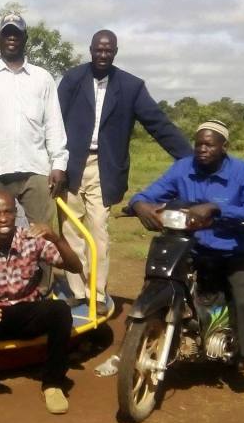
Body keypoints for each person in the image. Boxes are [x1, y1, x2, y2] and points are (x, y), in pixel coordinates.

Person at [127, 120, 244, 418]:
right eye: (199, 143)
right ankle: (130, 350)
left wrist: (216, 208)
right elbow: (150, 192)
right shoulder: (183, 168)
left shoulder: (241, 172)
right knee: (157, 282)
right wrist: (139, 205)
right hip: (194, 248)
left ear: (224, 147)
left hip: (235, 254)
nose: (202, 149)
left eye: (209, 144)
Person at [58, 30, 192, 316]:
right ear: (90, 50)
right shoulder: (72, 79)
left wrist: (191, 159)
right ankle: (77, 292)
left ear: (115, 52)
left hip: (105, 167)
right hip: (71, 165)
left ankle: (96, 292)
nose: (103, 55)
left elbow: (158, 124)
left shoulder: (131, 87)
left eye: (108, 50)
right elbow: (53, 121)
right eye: (98, 50)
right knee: (70, 229)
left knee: (98, 230)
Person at [0, 190, 83, 414]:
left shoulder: (31, 239)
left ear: (16, 213)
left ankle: (53, 383)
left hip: (27, 314)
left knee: (60, 310)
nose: (3, 218)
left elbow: (75, 267)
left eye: (8, 212)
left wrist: (55, 238)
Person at [0, 13, 68, 226]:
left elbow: (53, 124)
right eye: (7, 34)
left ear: (25, 38)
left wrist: (59, 164)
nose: (11, 38)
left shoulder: (43, 78)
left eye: (16, 33)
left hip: (36, 170)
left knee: (42, 234)